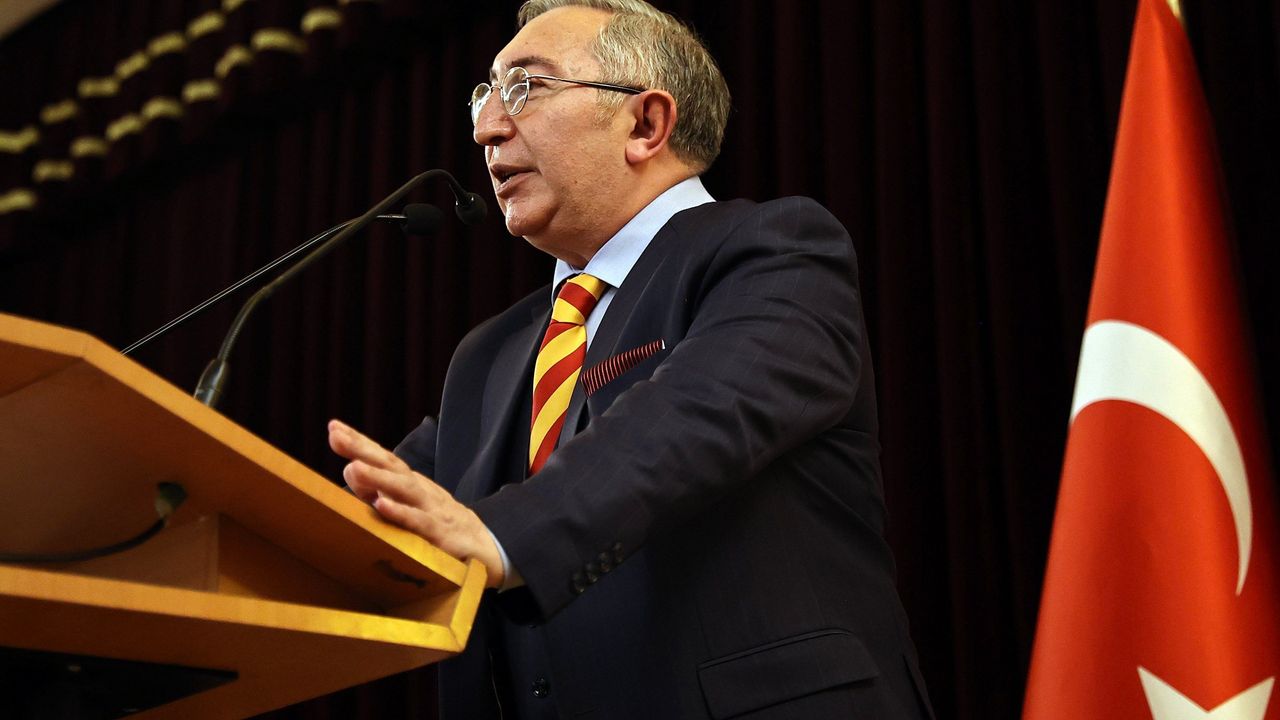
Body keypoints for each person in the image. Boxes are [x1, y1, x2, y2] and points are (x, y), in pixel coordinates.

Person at [328, 1, 933, 717]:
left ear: (645, 124)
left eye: (526, 87)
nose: (486, 126)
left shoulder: (776, 251)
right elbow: (383, 509)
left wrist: (500, 534)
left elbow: (693, 416)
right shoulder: (488, 354)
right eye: (485, 94)